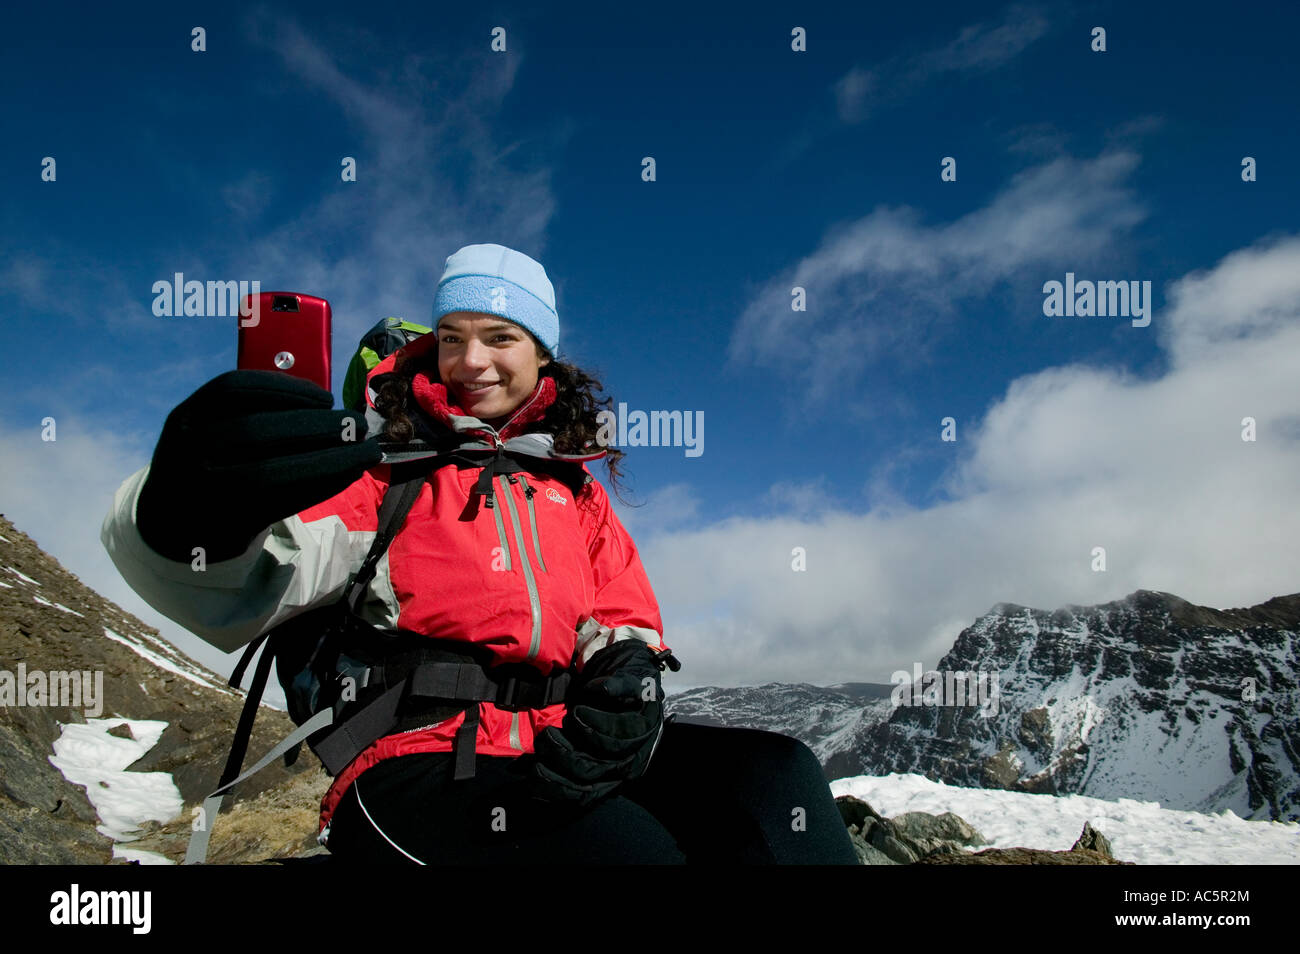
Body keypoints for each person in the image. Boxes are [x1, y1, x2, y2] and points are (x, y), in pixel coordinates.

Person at [101, 243, 858, 865]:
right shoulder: (381, 469)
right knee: (638, 857)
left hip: (557, 741)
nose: (473, 361)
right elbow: (257, 571)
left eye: (501, 337)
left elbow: (622, 615)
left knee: (778, 780)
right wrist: (179, 513)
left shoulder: (570, 489)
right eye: (453, 337)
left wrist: (630, 677)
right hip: (413, 760)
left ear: (542, 356)